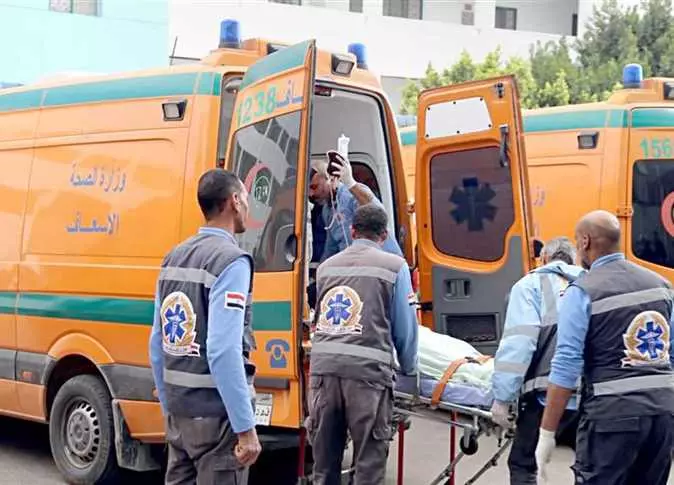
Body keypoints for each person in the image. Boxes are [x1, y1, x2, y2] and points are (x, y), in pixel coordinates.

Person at [535, 210, 674, 484]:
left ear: (585, 241)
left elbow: (566, 364)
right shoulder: (662, 286)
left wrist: (547, 433)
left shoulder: (583, 291)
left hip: (612, 417)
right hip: (662, 416)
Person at [149, 168, 262, 485]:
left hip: (180, 415)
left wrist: (170, 407)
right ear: (234, 201)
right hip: (217, 420)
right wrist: (245, 428)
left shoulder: (173, 258)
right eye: (246, 199)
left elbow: (157, 343)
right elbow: (223, 350)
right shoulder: (231, 261)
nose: (248, 207)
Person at [308, 203, 418, 485]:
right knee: (368, 464)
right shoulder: (395, 267)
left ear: (353, 231)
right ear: (384, 236)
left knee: (324, 466)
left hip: (323, 374)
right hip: (367, 377)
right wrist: (409, 369)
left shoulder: (326, 268)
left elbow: (320, 318)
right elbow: (405, 328)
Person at [490, 237, 585, 484]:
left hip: (545, 395)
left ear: (544, 258)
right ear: (574, 259)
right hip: (589, 397)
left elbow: (519, 344)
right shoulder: (592, 284)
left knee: (523, 464)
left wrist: (502, 398)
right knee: (589, 469)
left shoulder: (530, 285)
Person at [308, 152, 402, 261]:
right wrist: (322, 267)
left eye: (314, 187)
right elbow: (331, 247)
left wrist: (350, 183)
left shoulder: (352, 195)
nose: (311, 194)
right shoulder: (327, 210)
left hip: (383, 262)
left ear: (331, 179)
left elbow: (377, 211)